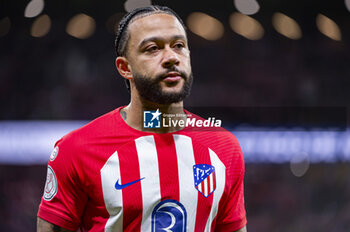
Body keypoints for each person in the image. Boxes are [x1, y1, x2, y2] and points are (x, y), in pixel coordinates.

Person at [37, 5, 247, 232]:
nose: (171, 57)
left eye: (179, 46)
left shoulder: (224, 148)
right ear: (125, 67)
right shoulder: (77, 149)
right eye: (152, 48)